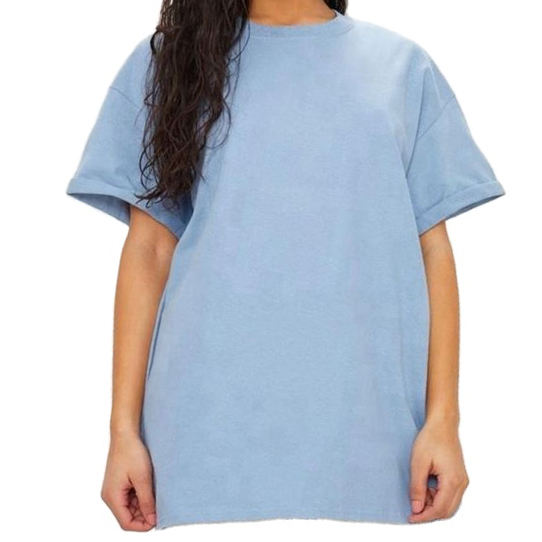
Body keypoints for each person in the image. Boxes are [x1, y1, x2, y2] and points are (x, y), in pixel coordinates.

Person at [66, 0, 505, 531]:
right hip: (201, 449)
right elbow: (149, 252)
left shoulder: (402, 69)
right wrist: (122, 433)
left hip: (374, 455)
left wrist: (444, 421)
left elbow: (433, 253)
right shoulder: (170, 64)